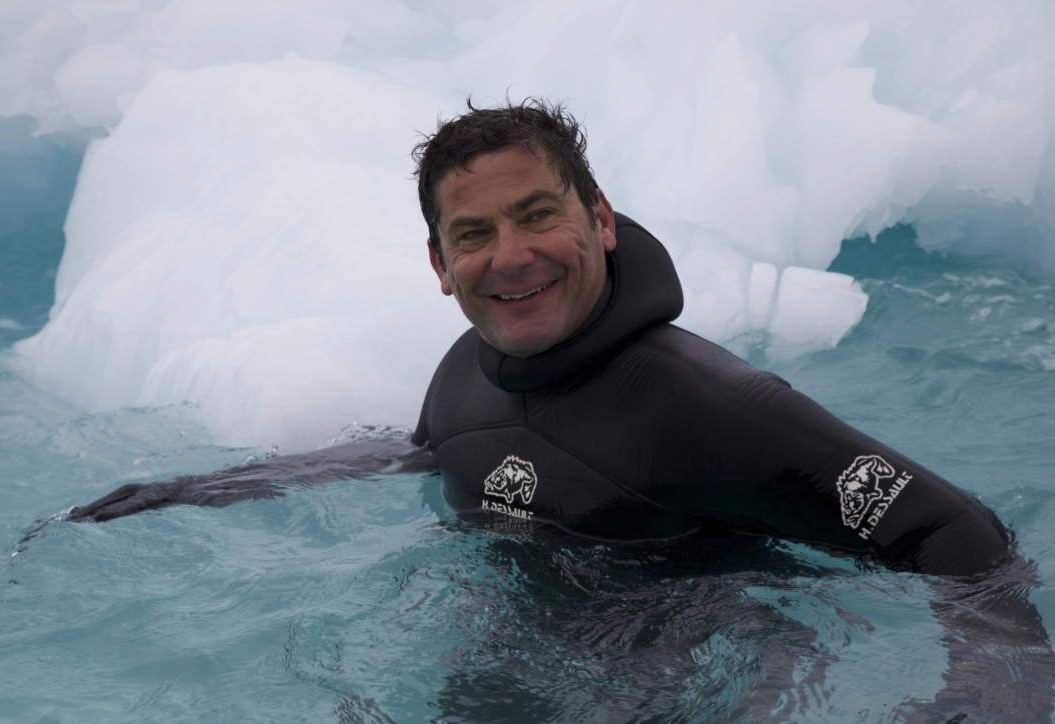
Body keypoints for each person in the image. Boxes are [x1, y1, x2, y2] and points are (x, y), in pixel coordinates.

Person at [68, 98, 1053, 717]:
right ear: (439, 263)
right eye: (475, 232)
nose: (511, 253)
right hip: (512, 651)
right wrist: (216, 487)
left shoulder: (708, 404)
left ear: (600, 220)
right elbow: (425, 451)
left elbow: (953, 530)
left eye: (538, 213)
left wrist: (988, 682)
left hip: (702, 666)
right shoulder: (462, 371)